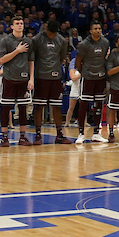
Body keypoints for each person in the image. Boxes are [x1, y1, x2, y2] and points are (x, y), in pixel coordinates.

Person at [31, 15, 72, 145]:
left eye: (53, 34)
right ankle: (38, 134)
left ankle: (59, 134)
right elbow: (33, 57)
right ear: (45, 29)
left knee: (56, 106)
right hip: (40, 76)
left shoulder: (61, 40)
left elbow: (61, 58)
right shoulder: (37, 39)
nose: (51, 36)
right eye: (49, 33)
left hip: (55, 76)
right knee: (39, 106)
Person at [0, 15, 34, 147]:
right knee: (6, 108)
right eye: (17, 23)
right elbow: (1, 60)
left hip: (23, 79)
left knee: (23, 108)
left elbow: (31, 61)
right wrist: (17, 51)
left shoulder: (29, 41)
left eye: (22, 23)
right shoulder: (5, 41)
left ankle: (22, 137)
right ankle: (4, 137)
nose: (20, 25)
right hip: (9, 78)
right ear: (11, 26)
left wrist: (32, 78)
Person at [72, 22, 111, 144]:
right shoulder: (84, 44)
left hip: (100, 78)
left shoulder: (105, 42)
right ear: (90, 31)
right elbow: (78, 61)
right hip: (88, 77)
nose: (98, 30)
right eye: (95, 28)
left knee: (99, 104)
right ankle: (81, 133)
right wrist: (83, 72)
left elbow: (106, 58)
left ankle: (96, 133)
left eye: (99, 28)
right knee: (83, 104)